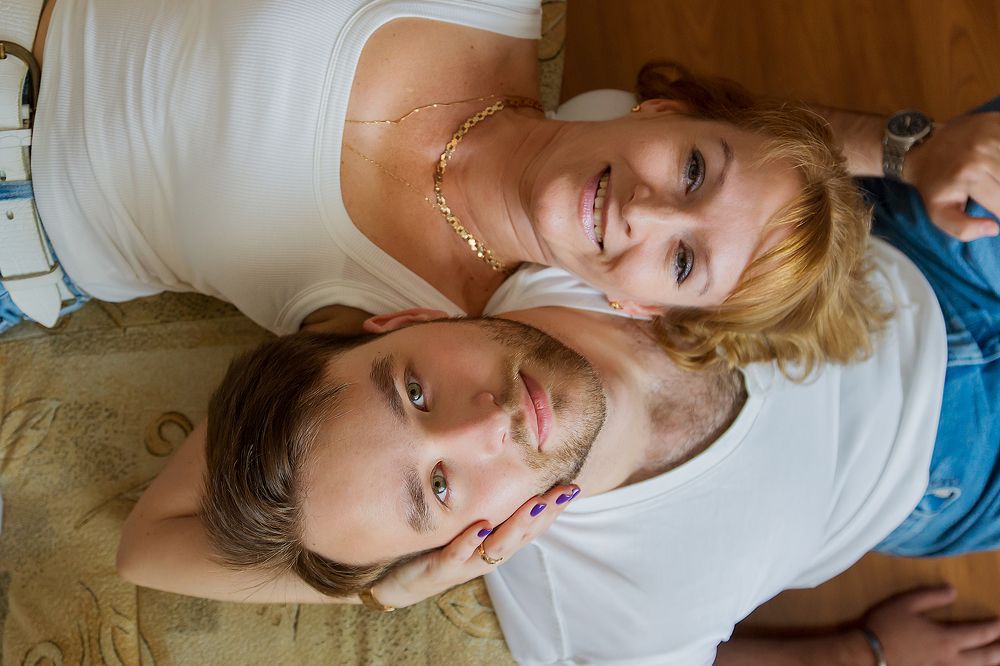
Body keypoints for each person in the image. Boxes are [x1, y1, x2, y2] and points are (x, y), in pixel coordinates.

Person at [119, 117, 1000, 663]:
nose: (488, 425)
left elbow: (146, 540)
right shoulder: (600, 618)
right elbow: (148, 558)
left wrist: (909, 151)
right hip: (946, 469)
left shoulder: (567, 221)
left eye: (417, 393)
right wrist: (864, 653)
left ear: (407, 319)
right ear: (463, 543)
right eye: (439, 487)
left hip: (897, 247)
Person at [3, 0, 994, 375]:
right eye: (693, 169)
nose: (650, 210)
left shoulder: (435, 339)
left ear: (636, 306)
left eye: (683, 260)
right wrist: (908, 151)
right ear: (663, 113)